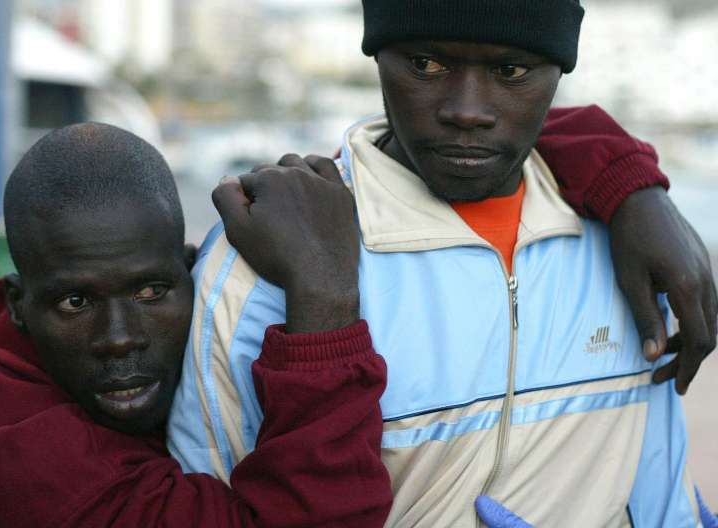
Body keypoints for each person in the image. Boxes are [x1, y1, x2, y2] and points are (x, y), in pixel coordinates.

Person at [168, 1, 716, 526]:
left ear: (558, 70)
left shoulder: (628, 244)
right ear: (377, 57)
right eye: (426, 64)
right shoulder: (259, 261)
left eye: (511, 69)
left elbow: (661, 501)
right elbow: (210, 501)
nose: (467, 111)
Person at [0, 123, 393, 527]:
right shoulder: (38, 474)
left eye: (150, 293)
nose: (120, 338)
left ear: (191, 272)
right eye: (75, 302)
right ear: (18, 305)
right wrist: (324, 291)